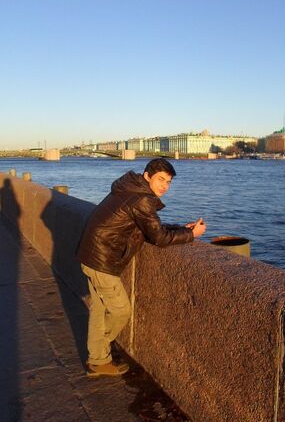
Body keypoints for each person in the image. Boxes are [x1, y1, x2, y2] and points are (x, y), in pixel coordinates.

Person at [76, 158, 206, 377]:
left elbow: (148, 226)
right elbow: (159, 238)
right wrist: (192, 235)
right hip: (101, 260)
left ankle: (98, 360)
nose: (165, 186)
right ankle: (99, 349)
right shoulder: (142, 199)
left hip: (91, 253)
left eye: (168, 182)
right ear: (147, 176)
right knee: (121, 311)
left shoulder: (130, 189)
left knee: (99, 310)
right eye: (160, 179)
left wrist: (182, 228)